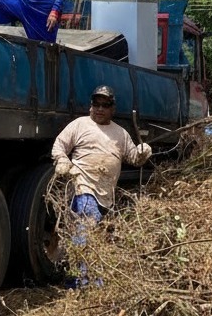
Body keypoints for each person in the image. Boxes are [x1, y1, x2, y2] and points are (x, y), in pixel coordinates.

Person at [51, 85, 152, 285]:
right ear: (90, 106)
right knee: (86, 229)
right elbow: (59, 146)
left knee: (97, 236)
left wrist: (142, 153)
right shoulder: (80, 125)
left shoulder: (120, 133)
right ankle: (80, 283)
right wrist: (62, 161)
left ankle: (91, 281)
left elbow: (132, 157)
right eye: (96, 104)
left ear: (112, 109)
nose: (99, 109)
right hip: (83, 187)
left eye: (105, 105)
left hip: (106, 194)